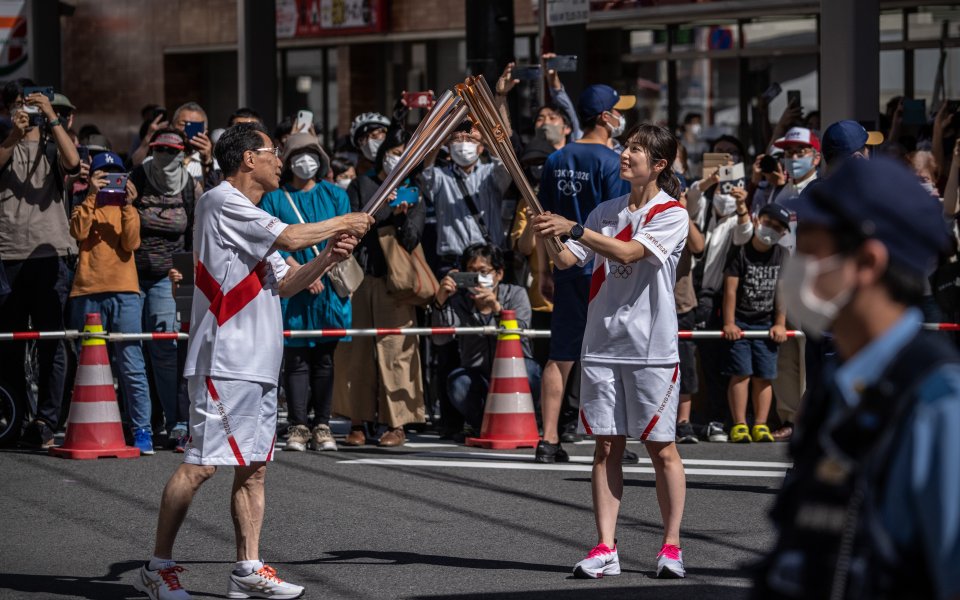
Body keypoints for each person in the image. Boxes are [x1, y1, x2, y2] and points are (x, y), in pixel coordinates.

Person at [135, 122, 373, 600]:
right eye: (273, 152)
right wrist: (344, 221)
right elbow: (288, 238)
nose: (281, 160)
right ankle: (158, 566)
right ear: (248, 158)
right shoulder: (220, 201)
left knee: (254, 468)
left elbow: (286, 281)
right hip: (225, 357)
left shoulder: (253, 211)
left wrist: (327, 257)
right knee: (201, 464)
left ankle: (247, 567)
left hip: (261, 360)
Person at [755, 156, 960, 600]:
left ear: (867, 261)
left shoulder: (938, 404)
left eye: (812, 247)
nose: (798, 263)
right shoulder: (836, 388)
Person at [533, 123, 689, 579]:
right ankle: (605, 547)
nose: (626, 154)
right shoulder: (607, 208)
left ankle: (672, 547)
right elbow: (568, 261)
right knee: (605, 446)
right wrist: (549, 231)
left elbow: (627, 253)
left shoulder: (671, 212)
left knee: (662, 448)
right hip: (601, 344)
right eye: (626, 146)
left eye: (636, 150)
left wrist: (574, 227)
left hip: (650, 349)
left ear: (658, 165)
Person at [534, 84, 634, 463]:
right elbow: (617, 219)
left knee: (561, 353)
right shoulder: (611, 162)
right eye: (617, 110)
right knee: (607, 354)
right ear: (606, 117)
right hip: (602, 266)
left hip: (564, 263)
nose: (619, 117)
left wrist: (546, 267)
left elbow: (542, 219)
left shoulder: (557, 159)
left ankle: (548, 439)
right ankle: (610, 438)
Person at [333, 126, 427, 448]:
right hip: (361, 276)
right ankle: (357, 422)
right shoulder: (363, 184)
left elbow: (413, 237)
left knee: (397, 351)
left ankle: (397, 423)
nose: (396, 156)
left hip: (396, 281)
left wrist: (401, 217)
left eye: (403, 151)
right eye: (393, 150)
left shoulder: (413, 189)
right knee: (355, 351)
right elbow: (354, 223)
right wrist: (385, 208)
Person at [0, 79, 80, 448]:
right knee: (9, 345)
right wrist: (13, 136)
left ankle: (47, 419)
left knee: (52, 341)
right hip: (7, 254)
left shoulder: (53, 141)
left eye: (30, 103)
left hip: (51, 254)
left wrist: (51, 118)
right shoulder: (4, 138)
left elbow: (74, 163)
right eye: (18, 103)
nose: (25, 110)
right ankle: (14, 415)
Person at [260, 132, 350, 452]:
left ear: (321, 158)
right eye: (299, 154)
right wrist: (299, 271)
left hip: (329, 287)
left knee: (325, 357)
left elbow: (344, 237)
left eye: (312, 153)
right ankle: (298, 424)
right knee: (296, 358)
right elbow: (270, 237)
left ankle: (322, 424)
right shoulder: (274, 198)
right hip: (292, 285)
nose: (305, 160)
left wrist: (319, 269)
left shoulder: (336, 195)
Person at [68, 151, 155, 454]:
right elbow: (78, 232)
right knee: (88, 366)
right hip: (87, 289)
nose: (109, 181)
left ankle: (142, 429)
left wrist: (129, 205)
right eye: (102, 175)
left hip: (125, 291)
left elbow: (131, 243)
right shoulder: (83, 204)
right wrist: (91, 195)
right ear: (91, 177)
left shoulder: (127, 208)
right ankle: (88, 426)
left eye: (115, 175)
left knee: (131, 363)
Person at [130, 128, 203, 448]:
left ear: (183, 153)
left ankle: (177, 422)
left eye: (172, 151)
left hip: (170, 276)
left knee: (165, 351)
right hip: (130, 275)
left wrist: (187, 277)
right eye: (159, 149)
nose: (165, 156)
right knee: (132, 350)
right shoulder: (137, 177)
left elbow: (196, 235)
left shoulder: (190, 186)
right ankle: (140, 425)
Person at [432, 243, 541, 435]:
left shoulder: (516, 294)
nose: (478, 279)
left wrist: (498, 309)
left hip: (515, 369)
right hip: (477, 374)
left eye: (483, 272)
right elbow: (441, 339)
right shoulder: (458, 299)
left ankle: (526, 421)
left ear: (499, 273)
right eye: (471, 272)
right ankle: (483, 425)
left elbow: (522, 331)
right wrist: (440, 301)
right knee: (458, 382)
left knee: (532, 372)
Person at [721, 203, 790, 443]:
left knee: (764, 375)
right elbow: (730, 290)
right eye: (769, 223)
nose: (772, 229)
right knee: (741, 373)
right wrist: (729, 322)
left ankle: (760, 424)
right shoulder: (739, 251)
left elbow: (783, 293)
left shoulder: (782, 254)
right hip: (740, 322)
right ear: (757, 220)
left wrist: (780, 323)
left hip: (766, 324)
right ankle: (740, 423)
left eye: (779, 228)